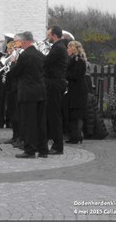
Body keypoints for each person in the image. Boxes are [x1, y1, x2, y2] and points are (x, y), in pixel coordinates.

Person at [10, 32, 48, 158]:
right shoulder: (40, 55)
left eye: (20, 42)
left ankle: (30, 150)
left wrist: (13, 63)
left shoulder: (24, 55)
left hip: (28, 94)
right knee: (40, 122)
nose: (20, 44)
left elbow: (15, 73)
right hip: (41, 92)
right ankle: (43, 150)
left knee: (28, 122)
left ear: (25, 42)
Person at [44, 25, 68, 155]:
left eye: (49, 35)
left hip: (55, 84)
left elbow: (45, 62)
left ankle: (58, 146)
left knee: (54, 116)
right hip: (54, 83)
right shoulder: (58, 47)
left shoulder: (58, 48)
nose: (48, 37)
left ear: (54, 35)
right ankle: (45, 141)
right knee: (50, 115)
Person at [65, 41, 88, 144]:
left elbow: (75, 75)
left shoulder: (78, 60)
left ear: (73, 48)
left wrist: (65, 75)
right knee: (74, 113)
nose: (67, 50)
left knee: (77, 114)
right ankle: (75, 135)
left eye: (69, 48)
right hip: (75, 89)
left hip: (78, 91)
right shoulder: (74, 59)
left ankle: (77, 136)